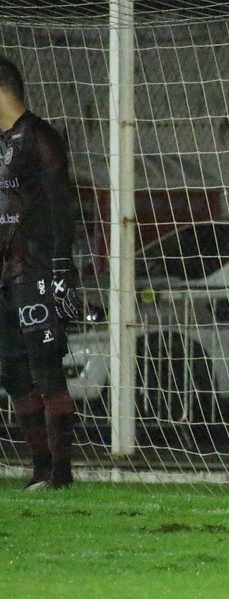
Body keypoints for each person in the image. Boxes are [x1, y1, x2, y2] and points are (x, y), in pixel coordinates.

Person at [0, 56, 81, 490]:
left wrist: (63, 270)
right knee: (12, 373)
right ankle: (39, 469)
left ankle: (61, 474)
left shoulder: (40, 136)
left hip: (38, 271)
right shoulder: (4, 141)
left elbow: (62, 204)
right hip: (7, 275)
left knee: (47, 370)